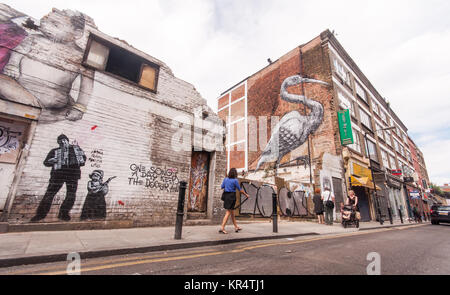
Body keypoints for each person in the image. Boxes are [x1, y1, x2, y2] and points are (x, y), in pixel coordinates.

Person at [30, 134, 86, 222]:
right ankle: (40, 214)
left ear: (67, 141)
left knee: (71, 195)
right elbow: (46, 162)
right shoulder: (55, 151)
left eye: (64, 140)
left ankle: (64, 213)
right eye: (60, 141)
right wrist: (51, 161)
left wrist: (79, 152)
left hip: (72, 175)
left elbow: (83, 161)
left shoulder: (76, 149)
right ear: (58, 142)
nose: (62, 142)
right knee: (50, 194)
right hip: (58, 175)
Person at [219, 168, 249, 234]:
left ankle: (236, 227)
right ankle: (222, 227)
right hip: (231, 197)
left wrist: (227, 185)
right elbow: (240, 190)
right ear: (235, 173)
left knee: (232, 212)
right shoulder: (235, 180)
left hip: (226, 196)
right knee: (228, 212)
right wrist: (246, 194)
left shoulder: (225, 179)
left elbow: (221, 187)